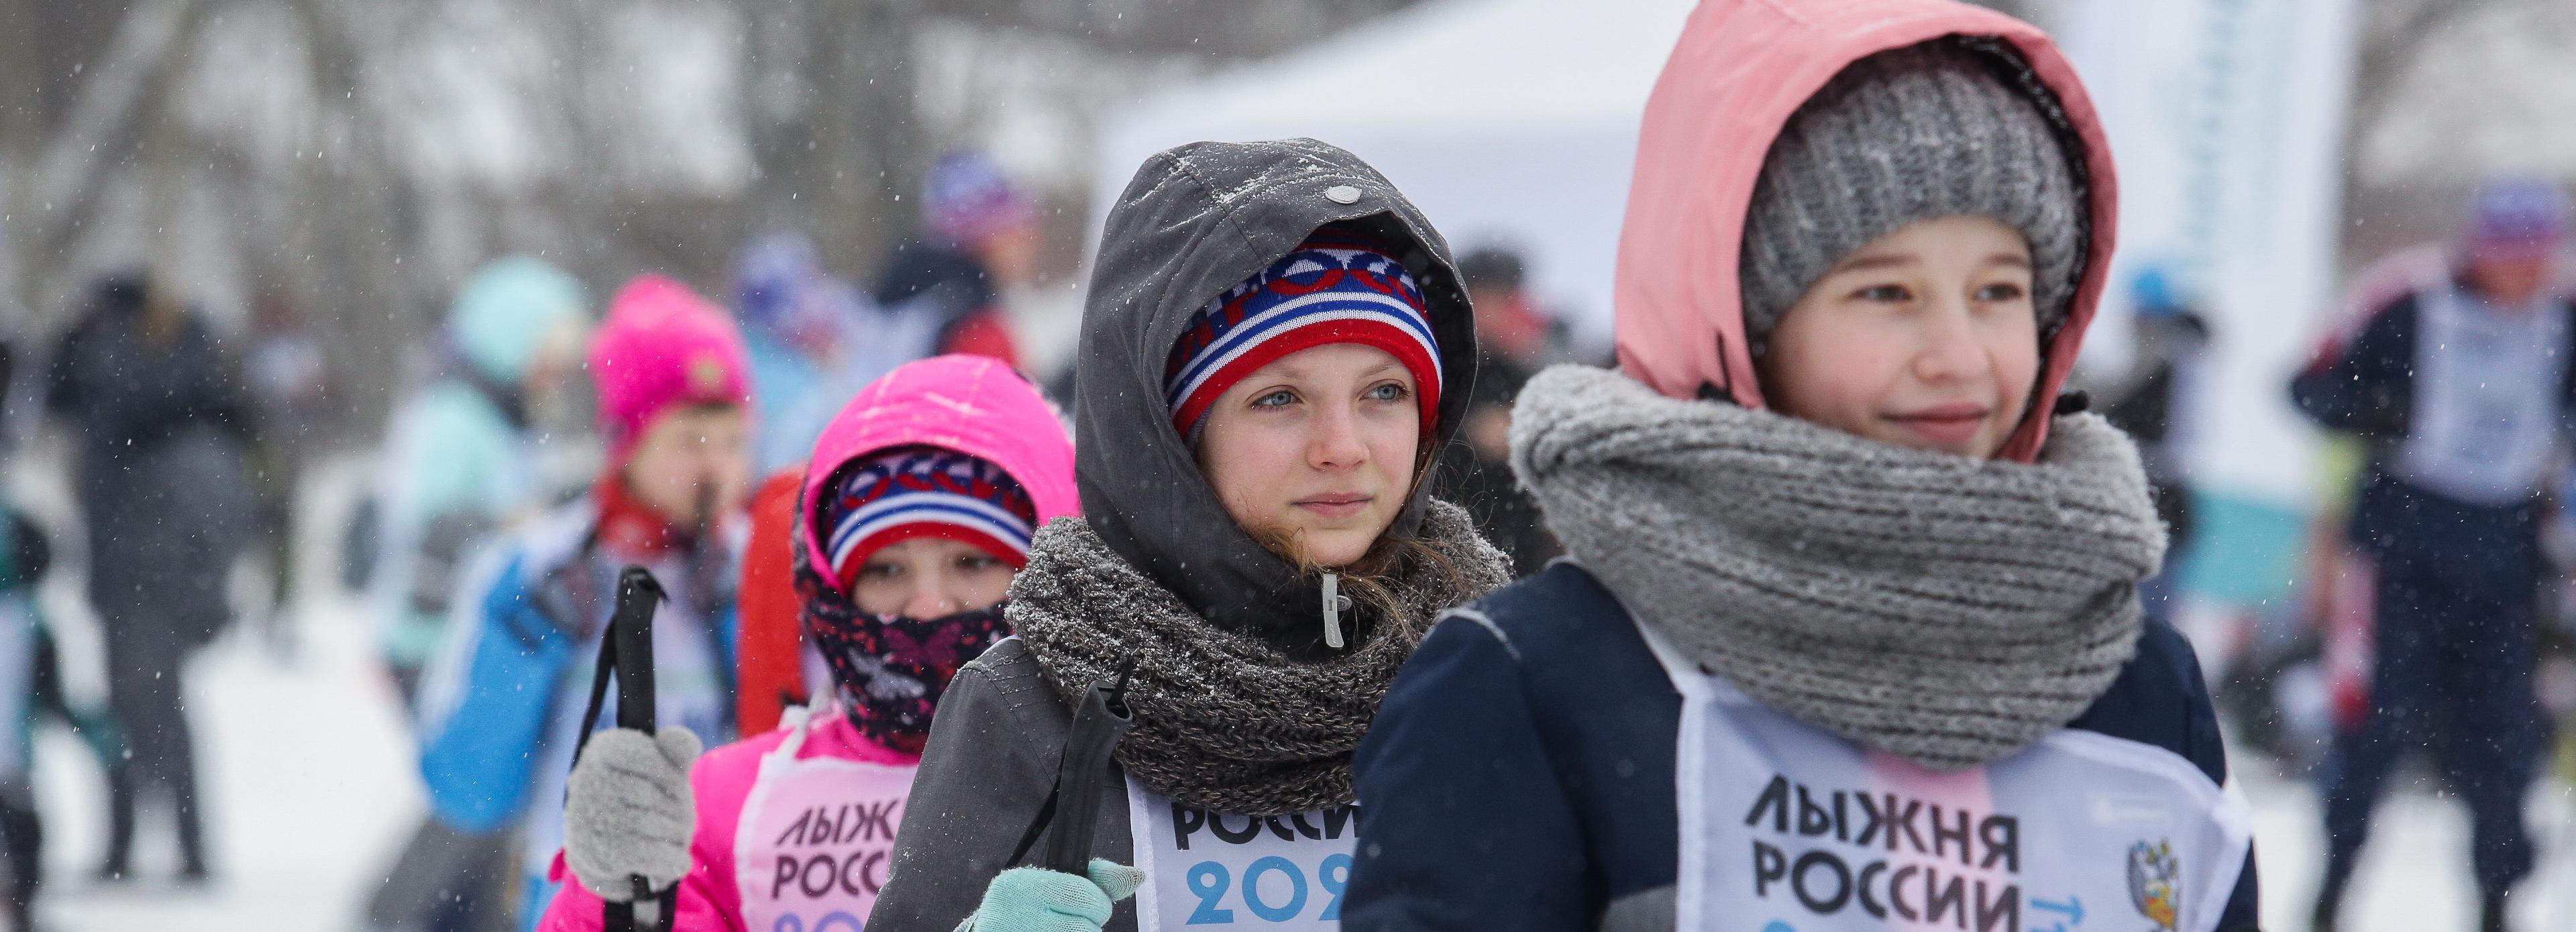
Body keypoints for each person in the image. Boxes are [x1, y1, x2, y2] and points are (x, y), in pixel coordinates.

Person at [1342, 5, 2261, 931]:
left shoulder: (2139, 684)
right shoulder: (1542, 679)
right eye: (1887, 292)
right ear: (1744, 323)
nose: (1959, 353)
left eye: (1999, 290)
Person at [867, 139, 1509, 932]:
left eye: (1383, 391)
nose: (1343, 445)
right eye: (1279, 398)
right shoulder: (1034, 706)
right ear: (1171, 437)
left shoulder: (1494, 674)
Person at [530, 353, 1077, 931]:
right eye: (886, 571)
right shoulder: (717, 812)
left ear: (1051, 566)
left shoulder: (1132, 777)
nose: (927, 606)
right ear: (831, 591)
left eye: (971, 563)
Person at [414, 274, 753, 930]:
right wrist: (525, 644)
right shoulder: (534, 566)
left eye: (733, 440)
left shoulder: (757, 567)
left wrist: (741, 622)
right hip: (569, 903)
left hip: (724, 902)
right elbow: (466, 792)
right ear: (625, 440)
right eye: (689, 441)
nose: (716, 469)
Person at [2289, 176, 2573, 932]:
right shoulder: (2407, 298)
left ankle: (2496, 900)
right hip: (2401, 550)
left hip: (2506, 560)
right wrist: (2368, 409)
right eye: (2511, 256)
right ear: (2478, 248)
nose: (2525, 275)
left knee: (2504, 745)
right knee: (2373, 732)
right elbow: (2307, 385)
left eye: (2539, 258)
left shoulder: (2564, 319)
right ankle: (2330, 891)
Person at [45, 270, 256, 884]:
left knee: (150, 712)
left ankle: (168, 851)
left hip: (150, 575)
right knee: (138, 711)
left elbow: (73, 398)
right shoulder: (167, 374)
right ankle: (145, 848)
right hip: (133, 572)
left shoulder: (155, 379)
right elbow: (61, 397)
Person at [372, 257, 594, 707]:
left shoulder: (506, 416)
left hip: (477, 633)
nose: (559, 371)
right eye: (550, 352)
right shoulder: (454, 415)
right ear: (513, 339)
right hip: (432, 642)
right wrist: (528, 521)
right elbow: (432, 524)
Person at [1431, 246, 1566, 576]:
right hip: (1447, 553)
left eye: (1505, 300)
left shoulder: (1528, 375)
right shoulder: (1440, 370)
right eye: (1486, 299)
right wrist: (1468, 435)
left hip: (1521, 556)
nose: (1495, 313)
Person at [872, 149, 1035, 371]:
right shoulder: (979, 331)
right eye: (1016, 230)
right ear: (987, 237)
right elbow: (1006, 403)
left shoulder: (903, 308)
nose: (1030, 243)